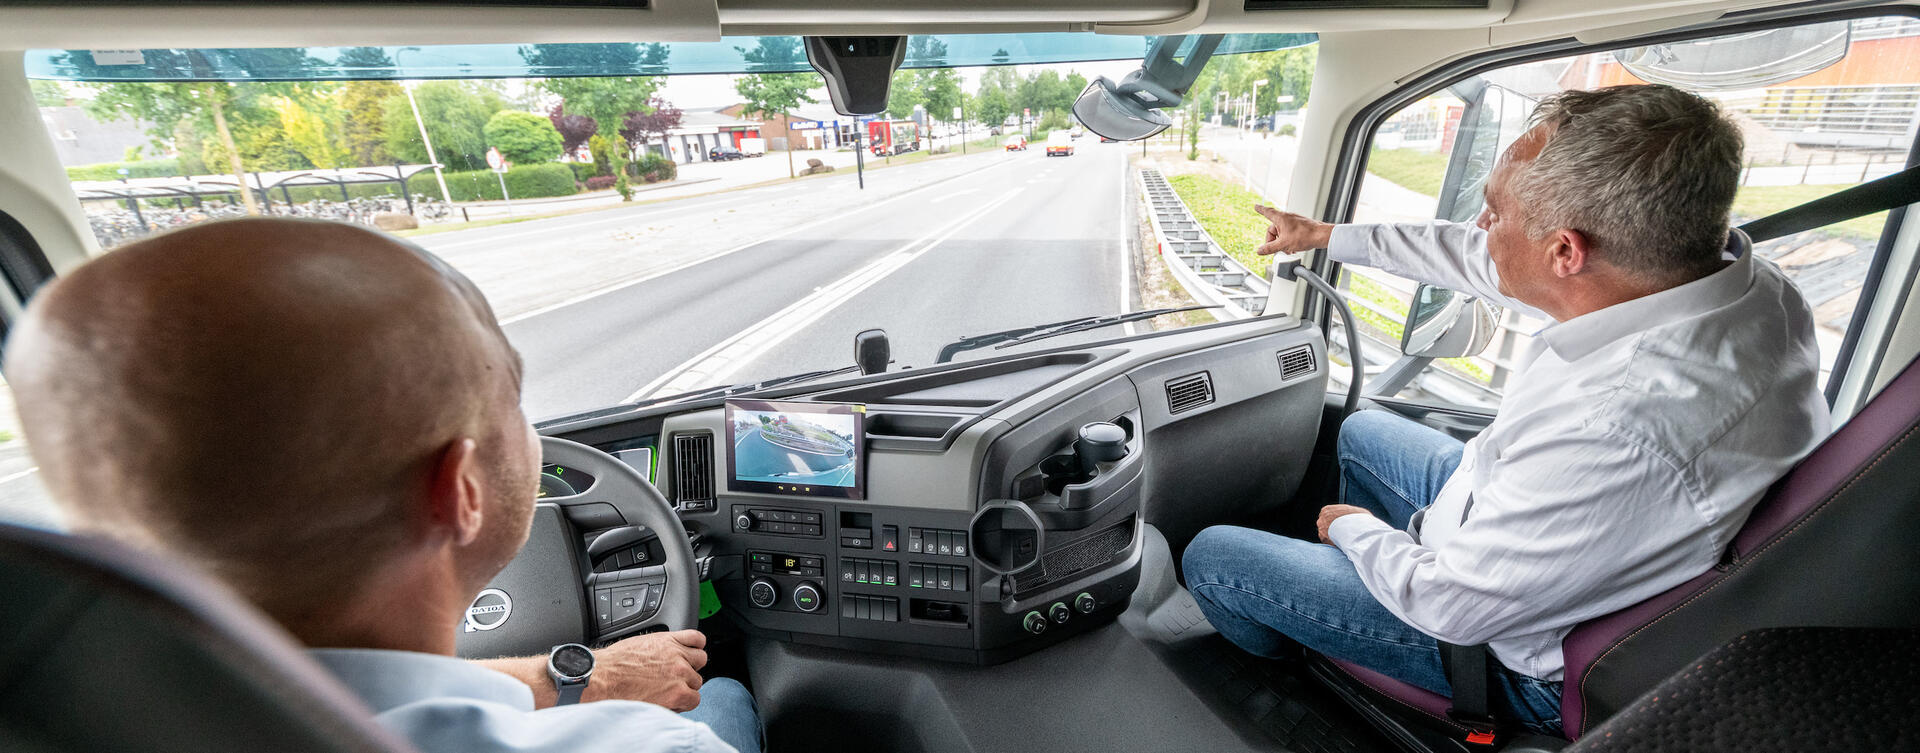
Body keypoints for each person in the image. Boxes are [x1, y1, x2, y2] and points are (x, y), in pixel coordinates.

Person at [1180, 84, 1830, 736]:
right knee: (1361, 432)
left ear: (1566, 253)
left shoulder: (1618, 426)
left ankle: (1306, 672)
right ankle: (1346, 599)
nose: (1480, 229)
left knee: (1213, 557)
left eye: (1494, 212)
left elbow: (1449, 604)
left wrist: (1352, 530)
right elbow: (1476, 256)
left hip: (1506, 651)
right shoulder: (1742, 284)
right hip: (1527, 533)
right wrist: (1327, 236)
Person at [4, 218, 761, 753]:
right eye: (514, 404)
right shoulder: (648, 745)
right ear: (459, 489)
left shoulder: (49, 710)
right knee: (723, 697)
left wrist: (568, 679)